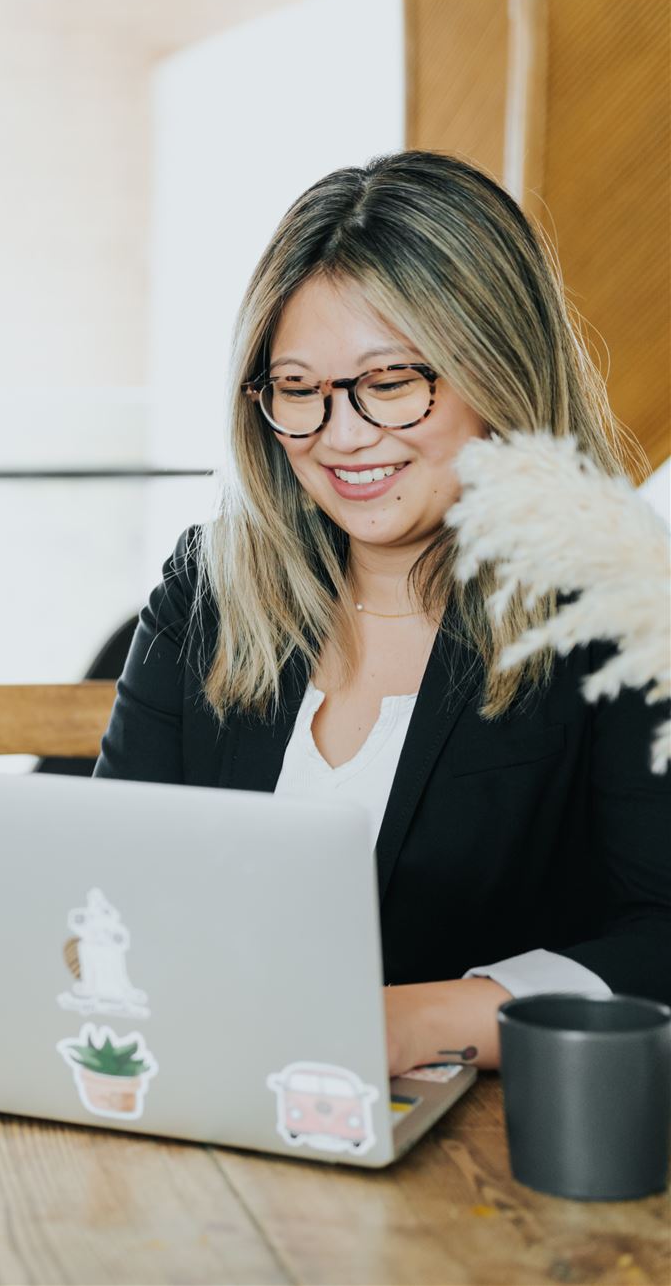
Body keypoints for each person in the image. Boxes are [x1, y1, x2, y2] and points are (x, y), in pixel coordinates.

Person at [95, 151, 670, 1075]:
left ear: (499, 369)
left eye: (392, 380)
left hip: (488, 1158)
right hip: (212, 1103)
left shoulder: (621, 607)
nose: (343, 434)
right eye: (298, 389)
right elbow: (108, 879)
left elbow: (662, 935)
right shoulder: (208, 588)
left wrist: (403, 1024)